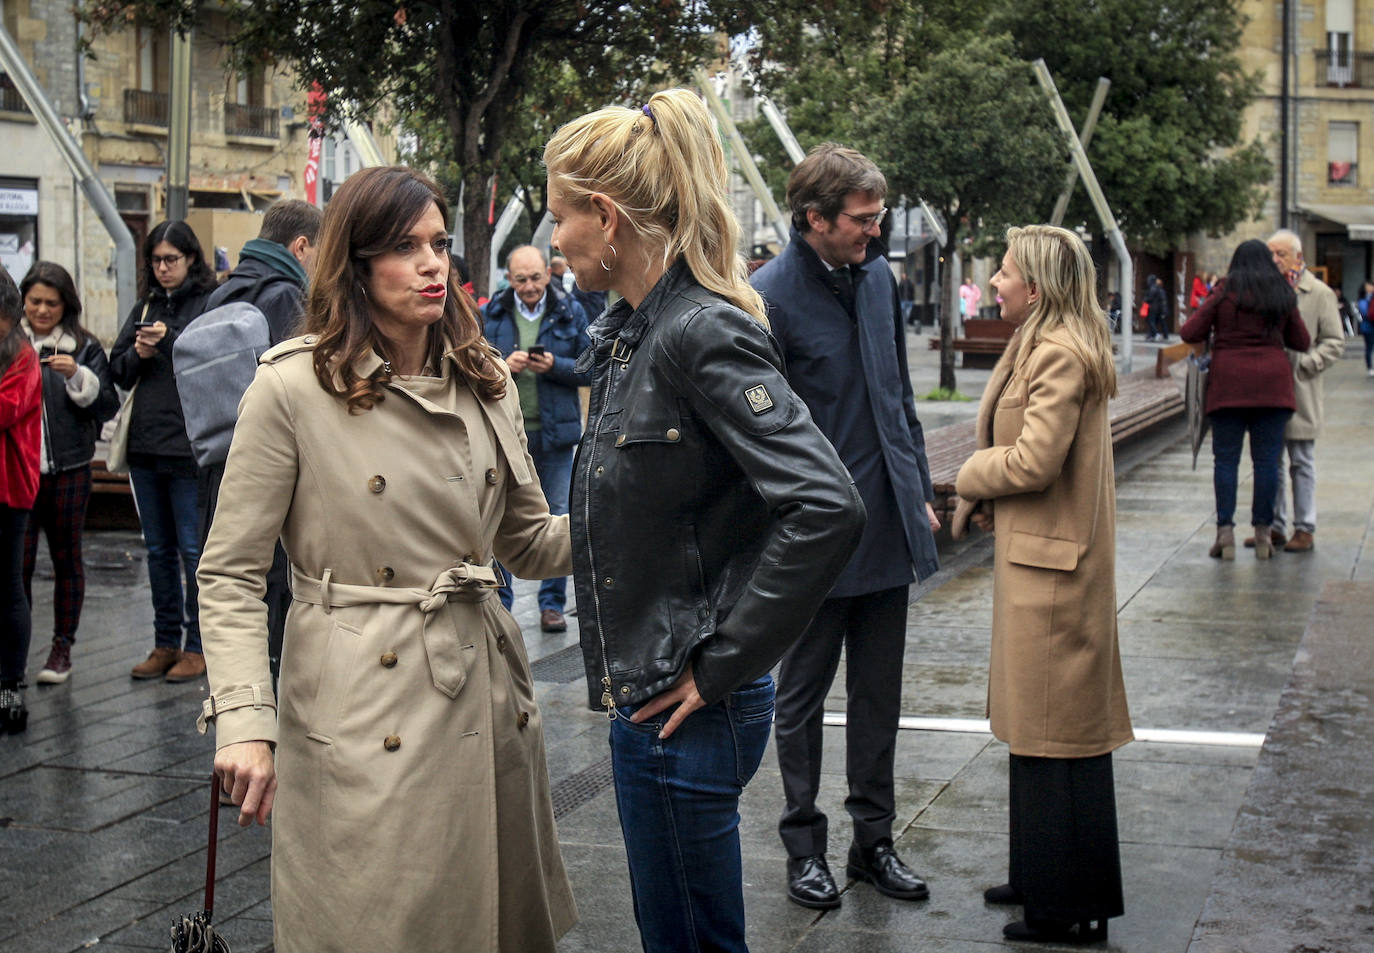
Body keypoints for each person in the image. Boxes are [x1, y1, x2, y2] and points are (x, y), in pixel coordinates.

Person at [198, 166, 576, 952]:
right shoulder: (294, 387)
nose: (434, 263)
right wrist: (243, 718)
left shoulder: (485, 380)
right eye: (405, 247)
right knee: (373, 921)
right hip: (359, 703)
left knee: (482, 926)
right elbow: (231, 571)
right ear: (357, 263)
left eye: (440, 243)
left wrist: (640, 504)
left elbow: (532, 542)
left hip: (482, 695)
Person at [545, 89, 864, 953]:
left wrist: (722, 663)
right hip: (660, 701)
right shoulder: (636, 331)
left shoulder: (696, 331)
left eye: (559, 217)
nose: (553, 240)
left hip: (682, 708)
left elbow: (826, 504)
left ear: (606, 217)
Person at [750, 143, 941, 912]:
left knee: (878, 696)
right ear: (814, 220)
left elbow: (898, 397)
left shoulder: (879, 283)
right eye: (862, 220)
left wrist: (918, 486)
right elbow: (757, 436)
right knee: (799, 699)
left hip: (888, 526)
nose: (875, 231)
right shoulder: (765, 297)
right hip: (814, 537)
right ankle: (804, 846)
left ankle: (874, 842)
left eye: (879, 217)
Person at [952, 225, 1133, 946]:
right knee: (1037, 732)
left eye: (1003, 272)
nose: (995, 282)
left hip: (1054, 571)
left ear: (1038, 283)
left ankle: (1067, 905)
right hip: (1040, 561)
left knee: (1061, 739)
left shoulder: (1057, 350)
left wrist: (967, 478)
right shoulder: (1042, 338)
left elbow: (1033, 460)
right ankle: (1038, 875)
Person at [194, 199, 321, 680]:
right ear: (301, 245)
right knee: (276, 583)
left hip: (220, 460)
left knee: (237, 574)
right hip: (275, 462)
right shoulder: (286, 296)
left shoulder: (221, 296)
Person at [109, 221, 217, 682]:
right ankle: (164, 642)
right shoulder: (146, 304)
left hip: (188, 448)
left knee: (194, 553)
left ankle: (198, 647)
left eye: (171, 258)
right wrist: (139, 352)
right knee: (157, 551)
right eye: (156, 260)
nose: (163, 267)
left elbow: (210, 364)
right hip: (146, 447)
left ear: (191, 258)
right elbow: (117, 370)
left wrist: (168, 341)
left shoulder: (208, 304)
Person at [19, 262, 119, 684]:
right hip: (19, 471)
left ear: (66, 304)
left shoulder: (83, 346)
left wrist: (78, 376)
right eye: (35, 301)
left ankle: (62, 647)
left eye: (51, 303)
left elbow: (108, 405)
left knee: (66, 558)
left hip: (69, 468)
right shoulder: (11, 343)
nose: (42, 310)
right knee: (16, 564)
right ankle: (14, 654)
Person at [1180, 240, 1311, 559]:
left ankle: (1225, 534)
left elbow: (1189, 331)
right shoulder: (1281, 292)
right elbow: (1302, 341)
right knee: (1267, 462)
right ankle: (1263, 534)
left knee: (1226, 460)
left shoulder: (1225, 292)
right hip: (1273, 387)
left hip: (1229, 386)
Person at [482, 245, 590, 632]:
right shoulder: (491, 314)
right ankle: (500, 604)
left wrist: (555, 366)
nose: (529, 286)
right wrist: (499, 367)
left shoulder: (569, 309)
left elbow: (589, 365)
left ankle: (552, 605)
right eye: (521, 279)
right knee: (498, 518)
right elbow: (473, 365)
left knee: (558, 515)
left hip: (556, 434)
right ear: (509, 280)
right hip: (506, 435)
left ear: (548, 273)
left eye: (536, 277)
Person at [1260, 230, 1345, 553]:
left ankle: (1304, 527)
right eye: (1271, 253)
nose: (1274, 260)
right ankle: (1276, 525)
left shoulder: (1318, 293)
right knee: (1271, 462)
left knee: (1301, 459)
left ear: (1298, 256)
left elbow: (1334, 342)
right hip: (1268, 389)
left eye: (1280, 254)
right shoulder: (1266, 290)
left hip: (1301, 389)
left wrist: (1306, 365)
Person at [0, 265, 42, 733]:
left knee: (9, 588)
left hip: (9, 490)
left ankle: (9, 687)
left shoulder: (21, 355)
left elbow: (7, 408)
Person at [1145, 273, 1170, 341]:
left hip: (1153, 308)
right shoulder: (1159, 289)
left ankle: (1155, 334)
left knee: (1151, 322)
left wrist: (1145, 299)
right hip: (1158, 308)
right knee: (1157, 322)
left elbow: (1149, 298)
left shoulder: (1152, 288)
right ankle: (1151, 335)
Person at [1358, 280, 1374, 376]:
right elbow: (1364, 313)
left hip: (1369, 326)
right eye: (1368, 286)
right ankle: (1369, 367)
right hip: (1368, 327)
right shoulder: (1363, 300)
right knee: (1369, 348)